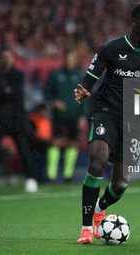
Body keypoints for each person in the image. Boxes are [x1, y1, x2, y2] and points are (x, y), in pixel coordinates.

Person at [74, 3, 140, 244]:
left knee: (120, 183)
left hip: (135, 121)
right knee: (97, 161)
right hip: (107, 111)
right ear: (134, 22)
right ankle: (86, 229)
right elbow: (92, 75)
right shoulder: (111, 48)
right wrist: (85, 89)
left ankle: (100, 208)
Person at [0, 48, 38, 193]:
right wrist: (2, 92)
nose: (6, 59)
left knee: (23, 150)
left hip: (15, 118)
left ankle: (30, 179)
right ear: (0, 59)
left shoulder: (18, 75)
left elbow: (14, 94)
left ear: (13, 59)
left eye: (8, 57)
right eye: (3, 57)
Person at [44, 49, 88, 182]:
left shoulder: (79, 75)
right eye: (67, 59)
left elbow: (86, 97)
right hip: (59, 116)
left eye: (71, 59)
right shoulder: (56, 75)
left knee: (73, 143)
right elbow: (47, 93)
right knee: (55, 142)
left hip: (75, 115)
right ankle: (51, 176)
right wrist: (54, 102)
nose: (69, 61)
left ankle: (67, 176)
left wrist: (83, 115)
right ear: (63, 60)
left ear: (75, 60)